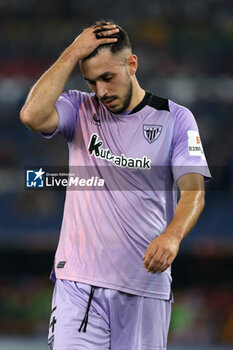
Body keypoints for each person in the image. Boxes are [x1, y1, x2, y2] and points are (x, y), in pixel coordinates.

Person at [20, 20, 211, 350]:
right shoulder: (80, 107)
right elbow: (32, 116)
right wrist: (71, 53)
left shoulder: (176, 119)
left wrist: (172, 235)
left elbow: (193, 190)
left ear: (131, 63)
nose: (101, 91)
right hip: (78, 283)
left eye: (108, 77)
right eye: (92, 81)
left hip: (145, 287)